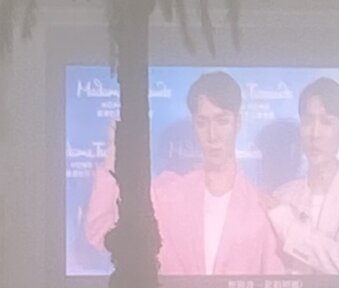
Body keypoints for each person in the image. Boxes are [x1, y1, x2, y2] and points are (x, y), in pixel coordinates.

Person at [83, 70, 284, 276]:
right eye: (202, 123)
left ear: (237, 123)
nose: (212, 135)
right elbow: (101, 233)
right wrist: (114, 151)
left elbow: (274, 284)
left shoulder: (263, 208)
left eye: (222, 121)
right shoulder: (165, 195)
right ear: (193, 125)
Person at [268, 76, 339, 275]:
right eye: (307, 122)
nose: (315, 134)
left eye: (326, 122)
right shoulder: (281, 196)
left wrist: (289, 226)